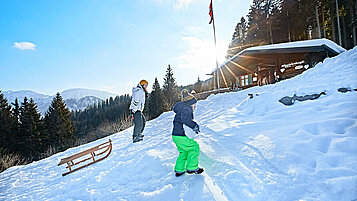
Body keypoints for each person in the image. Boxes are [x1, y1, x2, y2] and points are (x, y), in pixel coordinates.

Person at [172, 89, 204, 177]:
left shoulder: (182, 108)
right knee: (194, 147)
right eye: (194, 105)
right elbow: (185, 120)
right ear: (191, 104)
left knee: (184, 151)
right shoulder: (186, 108)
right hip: (181, 135)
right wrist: (194, 125)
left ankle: (179, 170)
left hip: (176, 135)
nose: (195, 107)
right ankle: (192, 167)